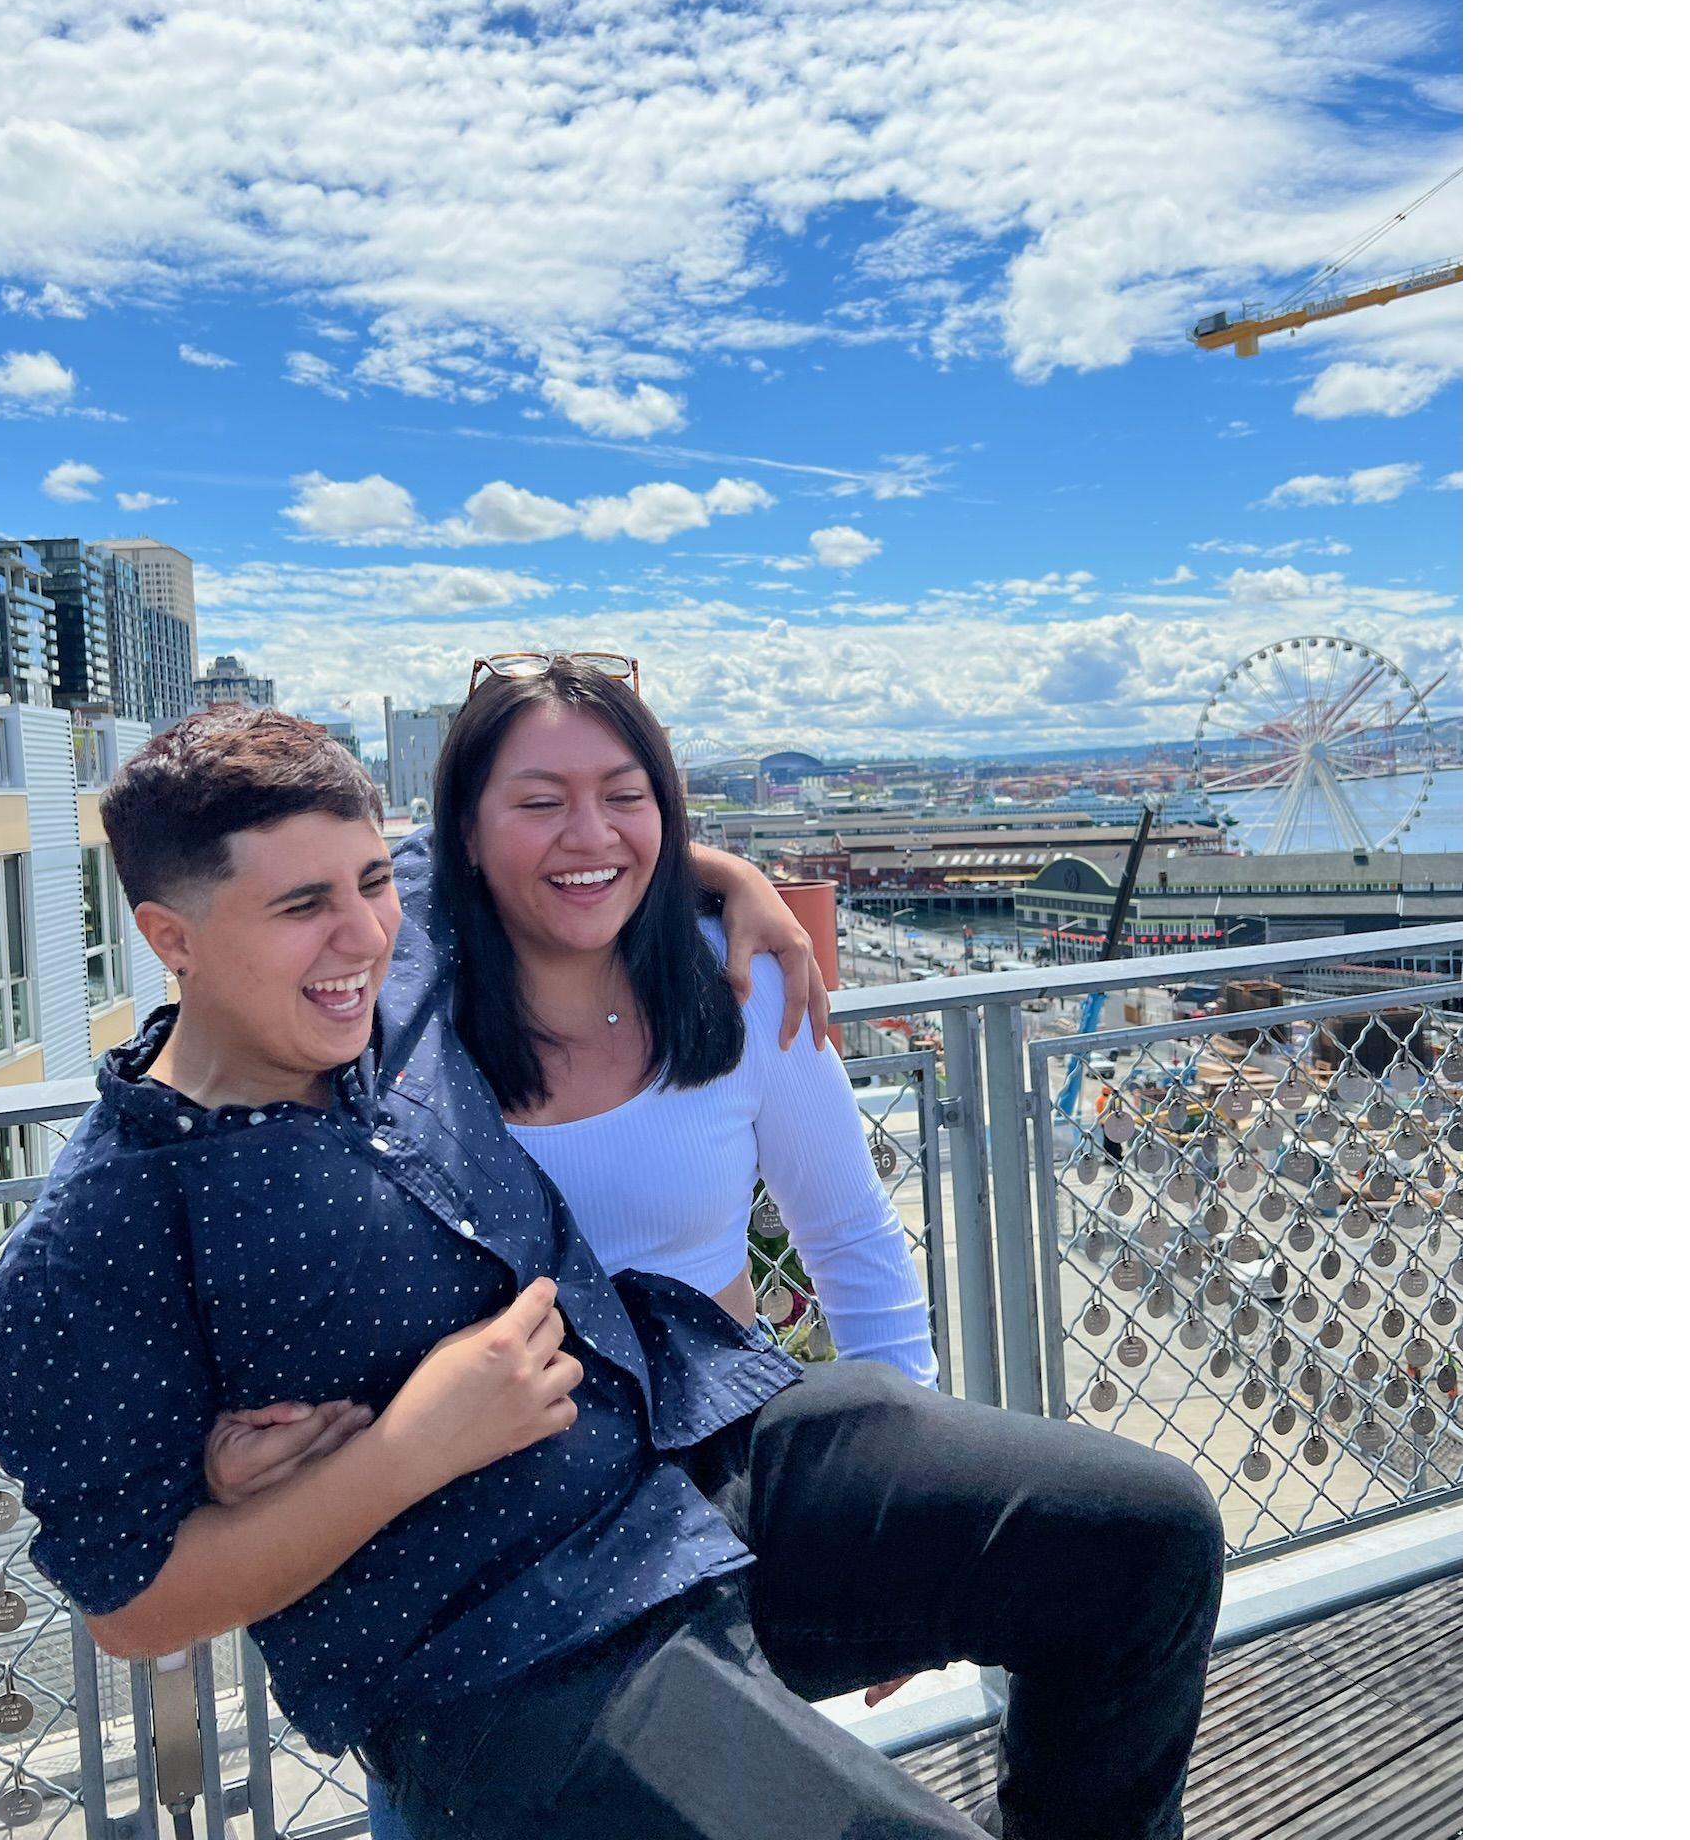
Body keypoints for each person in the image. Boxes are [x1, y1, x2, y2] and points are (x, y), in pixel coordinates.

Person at [207, 661, 1226, 1840]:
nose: (589, 831)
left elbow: (850, 1235)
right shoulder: (388, 1017)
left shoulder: (734, 986)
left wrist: (911, 1494)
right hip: (510, 1548)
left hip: (731, 1449)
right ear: (464, 833)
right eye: (538, 799)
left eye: (624, 793)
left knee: (1146, 1532)